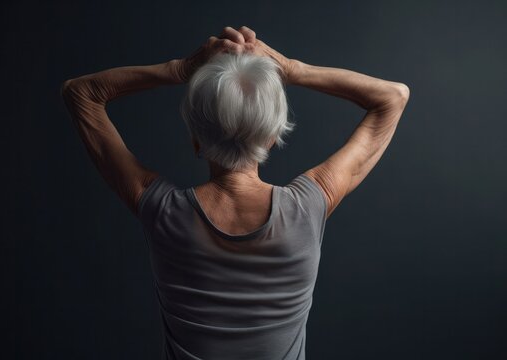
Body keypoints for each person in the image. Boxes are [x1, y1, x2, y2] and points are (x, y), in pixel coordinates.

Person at [61, 26, 409, 360]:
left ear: (196, 139)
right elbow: (393, 97)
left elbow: (81, 93)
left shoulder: (164, 212)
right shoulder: (307, 208)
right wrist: (290, 69)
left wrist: (181, 69)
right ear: (272, 138)